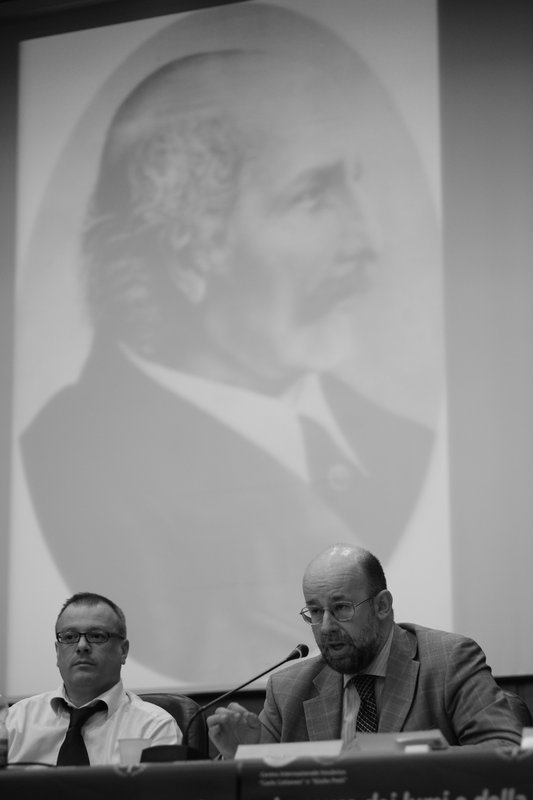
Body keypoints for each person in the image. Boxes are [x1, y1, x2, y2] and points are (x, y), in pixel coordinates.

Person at [19, 4, 439, 685]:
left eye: (353, 184)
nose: (369, 240)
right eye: (312, 195)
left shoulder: (394, 436)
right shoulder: (64, 469)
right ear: (189, 248)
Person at [207, 544, 523, 755]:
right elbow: (259, 784)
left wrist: (407, 760)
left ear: (382, 605)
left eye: (341, 608)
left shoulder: (448, 661)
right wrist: (242, 756)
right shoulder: (288, 689)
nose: (326, 627)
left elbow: (504, 750)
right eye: (315, 611)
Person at [7, 592, 180, 766]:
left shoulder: (153, 728)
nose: (82, 646)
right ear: (57, 652)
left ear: (123, 650)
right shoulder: (15, 721)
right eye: (69, 637)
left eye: (97, 636)